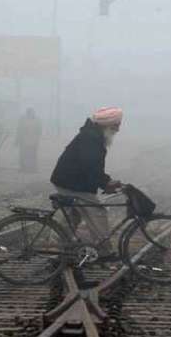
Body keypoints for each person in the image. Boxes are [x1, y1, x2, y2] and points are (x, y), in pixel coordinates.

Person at [50, 107, 123, 258]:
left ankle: (57, 247)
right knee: (97, 211)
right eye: (116, 125)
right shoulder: (91, 138)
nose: (118, 129)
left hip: (68, 180)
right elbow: (90, 166)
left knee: (73, 214)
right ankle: (104, 250)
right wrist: (106, 183)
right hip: (72, 183)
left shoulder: (93, 135)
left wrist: (105, 182)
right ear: (107, 125)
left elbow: (92, 167)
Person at [15, 108, 42, 173]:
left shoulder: (36, 121)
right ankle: (23, 168)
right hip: (24, 141)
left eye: (31, 113)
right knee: (23, 155)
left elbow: (39, 131)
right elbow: (19, 130)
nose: (30, 114)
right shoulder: (22, 120)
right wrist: (17, 140)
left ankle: (32, 168)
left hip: (33, 141)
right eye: (29, 113)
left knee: (32, 155)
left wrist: (37, 139)